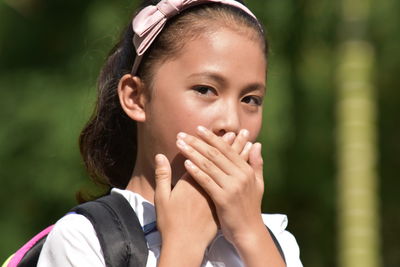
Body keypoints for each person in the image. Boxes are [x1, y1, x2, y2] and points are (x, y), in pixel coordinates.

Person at [37, 0, 302, 266]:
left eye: (251, 99)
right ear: (136, 98)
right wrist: (184, 245)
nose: (231, 122)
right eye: (205, 90)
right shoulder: (85, 239)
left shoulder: (275, 241)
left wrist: (250, 234)